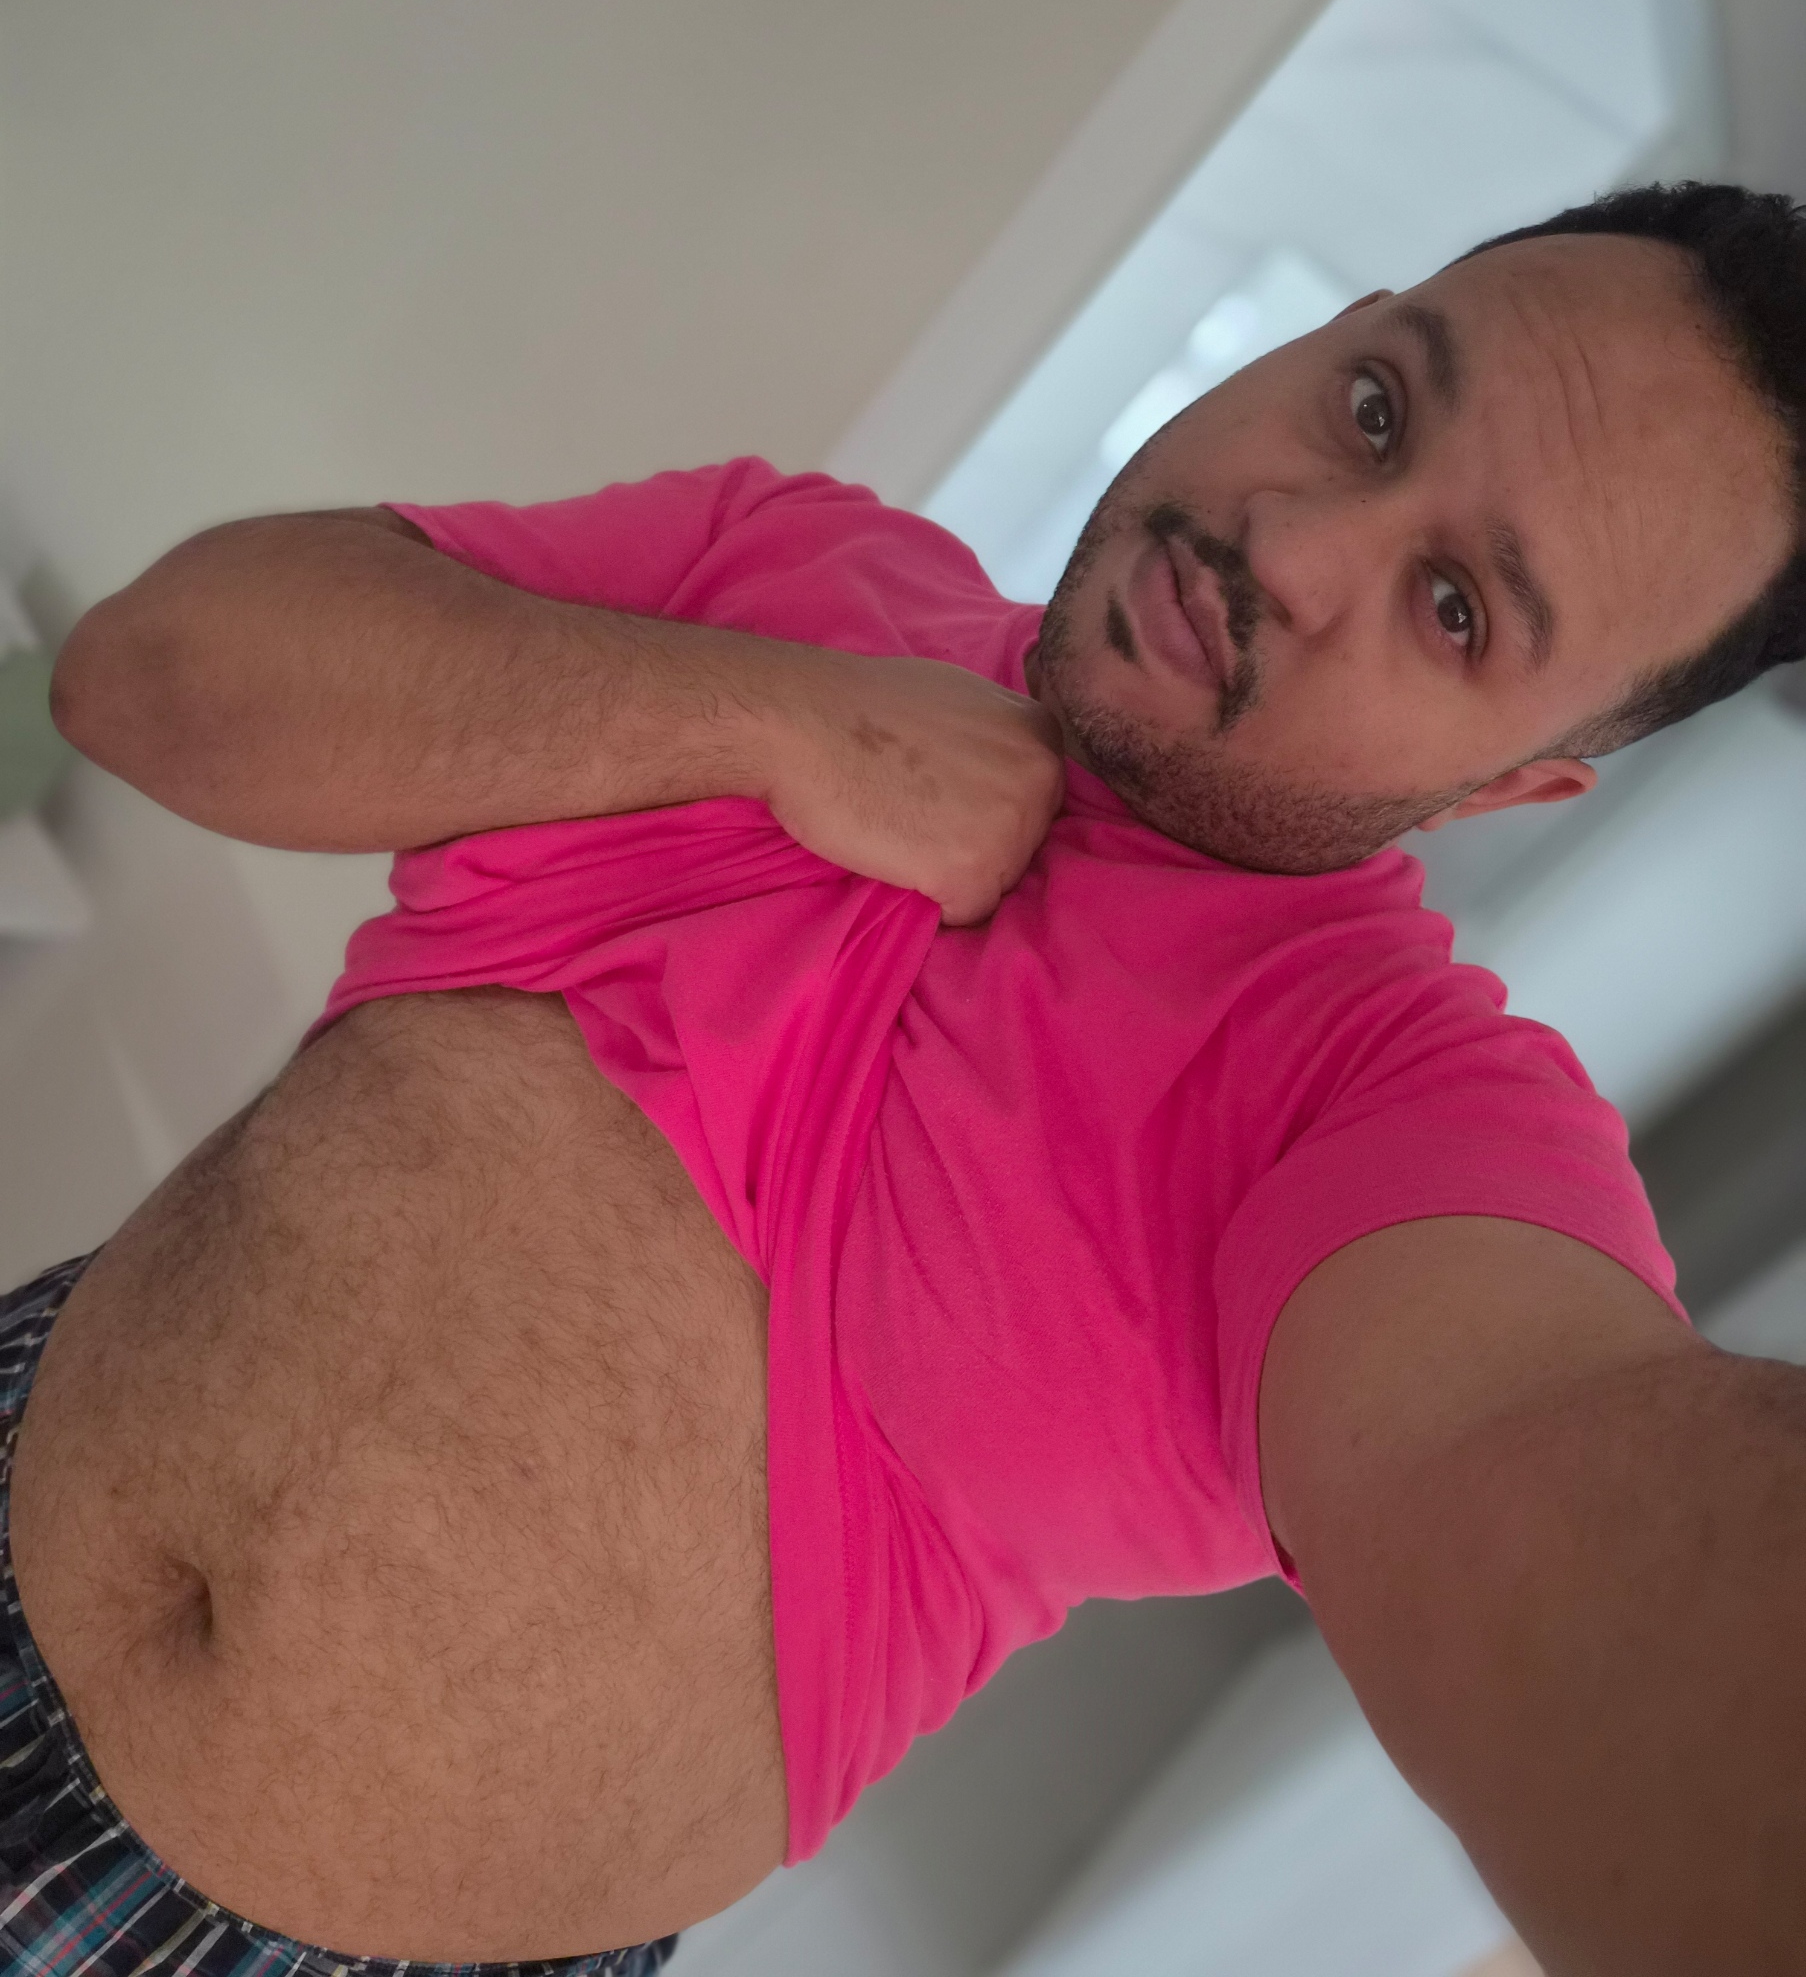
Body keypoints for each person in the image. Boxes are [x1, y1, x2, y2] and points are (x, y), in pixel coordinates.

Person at [8, 179, 1806, 1977]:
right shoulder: (790, 565)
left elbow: (1551, 1489)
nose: (1294, 545)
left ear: (1512, 786)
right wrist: (770, 719)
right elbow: (145, 680)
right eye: (1374, 406)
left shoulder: (1387, 1102)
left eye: (1454, 608)